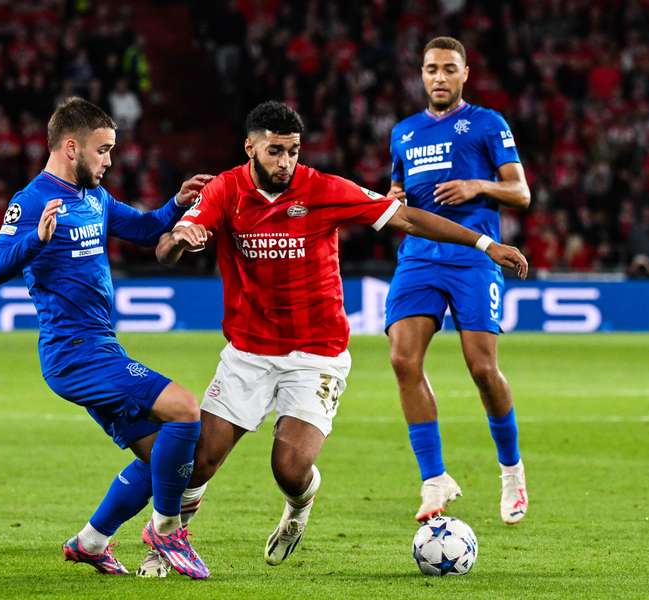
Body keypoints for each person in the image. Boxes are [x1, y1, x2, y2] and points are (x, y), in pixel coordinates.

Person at [150, 101, 527, 573]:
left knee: (288, 469)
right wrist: (179, 241)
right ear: (251, 148)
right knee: (200, 460)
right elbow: (170, 245)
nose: (285, 161)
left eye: (292, 151)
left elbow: (406, 218)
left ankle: (298, 507)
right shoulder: (226, 190)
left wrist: (485, 243)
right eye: (274, 151)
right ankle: (164, 546)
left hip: (316, 354)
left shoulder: (323, 188)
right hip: (248, 351)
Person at [0, 97, 213, 579]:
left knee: (166, 463)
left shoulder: (95, 198)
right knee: (186, 409)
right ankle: (168, 532)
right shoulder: (31, 201)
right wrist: (35, 241)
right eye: (103, 150)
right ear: (71, 147)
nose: (110, 161)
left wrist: (178, 203)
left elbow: (148, 229)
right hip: (74, 353)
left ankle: (90, 542)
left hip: (101, 348)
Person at [385, 36, 532, 525]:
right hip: (418, 258)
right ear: (421, 75)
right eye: (431, 69)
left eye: (449, 69)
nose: (440, 77)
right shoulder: (403, 133)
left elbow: (521, 192)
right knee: (403, 359)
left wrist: (478, 185)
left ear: (465, 74)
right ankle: (434, 478)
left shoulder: (488, 124)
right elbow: (399, 192)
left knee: (482, 369)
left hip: (474, 259)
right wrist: (393, 196)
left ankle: (511, 471)